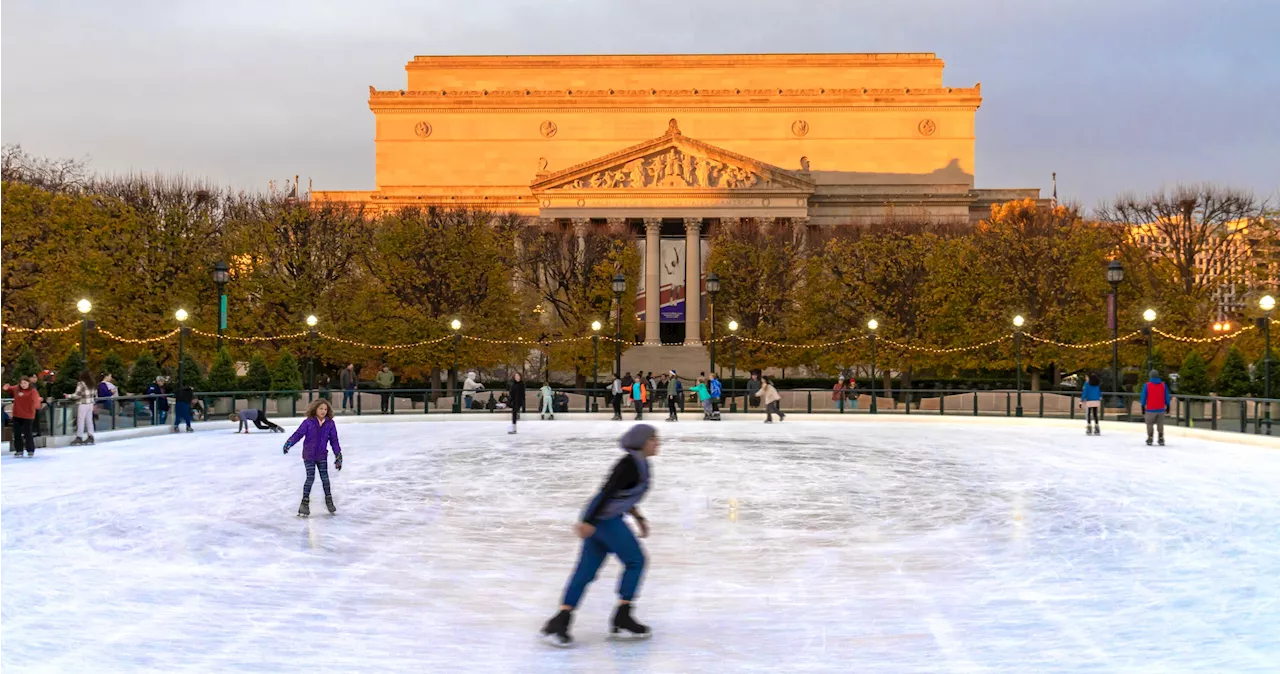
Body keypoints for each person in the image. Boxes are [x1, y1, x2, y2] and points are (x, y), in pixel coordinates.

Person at [540, 424, 659, 647]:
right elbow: (607, 492)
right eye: (653, 439)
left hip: (600, 517)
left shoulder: (638, 462)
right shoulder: (630, 465)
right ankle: (623, 616)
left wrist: (638, 517)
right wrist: (589, 522)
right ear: (642, 442)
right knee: (636, 561)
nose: (657, 443)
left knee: (586, 570)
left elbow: (623, 496)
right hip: (603, 519)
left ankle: (561, 620)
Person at [283, 398, 344, 517]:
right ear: (315, 409)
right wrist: (289, 443)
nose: (323, 411)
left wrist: (338, 455)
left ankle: (329, 501)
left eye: (325, 409)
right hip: (309, 455)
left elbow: (334, 440)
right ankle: (304, 504)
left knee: (325, 479)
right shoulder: (308, 422)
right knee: (310, 478)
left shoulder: (330, 423)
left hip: (322, 455)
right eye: (321, 408)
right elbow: (298, 434)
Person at [3, 376, 41, 457]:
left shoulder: (32, 391)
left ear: (28, 383)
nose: (23, 385)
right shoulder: (17, 388)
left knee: (28, 433)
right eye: (21, 383)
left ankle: (30, 450)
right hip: (17, 414)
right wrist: (6, 388)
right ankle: (19, 450)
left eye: (25, 383)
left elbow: (36, 400)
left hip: (28, 415)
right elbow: (10, 388)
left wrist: (37, 405)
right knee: (17, 433)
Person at [64, 371, 97, 446]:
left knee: (80, 421)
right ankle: (90, 436)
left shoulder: (81, 384)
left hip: (83, 404)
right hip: (90, 403)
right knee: (89, 420)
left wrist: (68, 396)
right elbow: (95, 394)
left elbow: (77, 395)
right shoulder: (92, 384)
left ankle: (79, 437)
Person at [1140, 369, 1170, 446]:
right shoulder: (1163, 385)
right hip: (1160, 409)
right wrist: (1168, 405)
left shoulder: (1147, 385)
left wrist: (1142, 406)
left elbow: (1144, 396)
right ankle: (1161, 437)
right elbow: (1166, 396)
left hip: (1150, 409)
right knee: (1160, 424)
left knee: (1149, 424)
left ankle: (1150, 437)